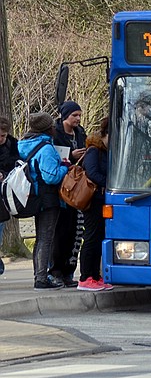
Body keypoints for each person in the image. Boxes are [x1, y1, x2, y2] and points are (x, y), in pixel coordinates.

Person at [19, 112, 69, 290]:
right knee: (45, 238)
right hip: (47, 198)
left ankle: (39, 275)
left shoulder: (22, 144)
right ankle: (41, 278)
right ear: (48, 128)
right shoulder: (46, 148)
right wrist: (65, 167)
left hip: (31, 196)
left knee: (41, 238)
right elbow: (51, 177)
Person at [51, 100, 86, 287]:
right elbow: (54, 157)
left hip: (78, 187)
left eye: (79, 115)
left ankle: (68, 271)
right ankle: (55, 270)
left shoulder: (80, 132)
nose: (78, 119)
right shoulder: (56, 133)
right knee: (61, 232)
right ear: (65, 116)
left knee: (75, 232)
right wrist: (71, 155)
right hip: (62, 187)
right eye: (74, 116)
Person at [78, 117, 113, 291]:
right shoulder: (94, 151)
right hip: (93, 200)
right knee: (91, 237)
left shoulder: (107, 151)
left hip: (102, 200)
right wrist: (109, 183)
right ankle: (85, 277)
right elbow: (91, 173)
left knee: (99, 237)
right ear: (106, 134)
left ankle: (95, 275)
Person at [0, 116, 18, 276]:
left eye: (3, 136)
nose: (1, 139)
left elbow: (17, 168)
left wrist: (4, 174)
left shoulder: (12, 146)